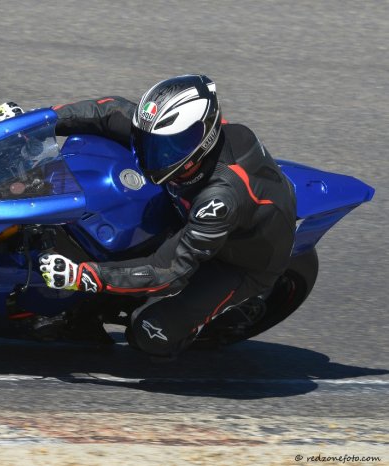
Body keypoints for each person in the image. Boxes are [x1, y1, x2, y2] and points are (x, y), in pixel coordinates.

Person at [34, 74, 297, 359]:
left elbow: (169, 271)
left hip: (238, 262)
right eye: (149, 141)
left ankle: (214, 318)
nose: (155, 152)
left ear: (204, 138)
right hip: (188, 210)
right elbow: (109, 112)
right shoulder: (168, 134)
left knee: (149, 332)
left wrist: (85, 276)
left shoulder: (219, 200)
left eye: (170, 146)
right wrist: (37, 122)